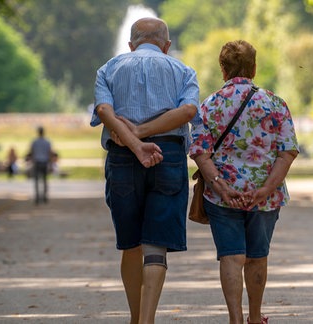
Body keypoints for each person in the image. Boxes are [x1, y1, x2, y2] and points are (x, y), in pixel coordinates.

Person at [91, 17, 199, 324]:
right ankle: (148, 319)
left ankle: (135, 318)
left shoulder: (108, 68)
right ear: (166, 46)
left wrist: (133, 137)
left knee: (130, 243)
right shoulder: (183, 70)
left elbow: (103, 111)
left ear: (130, 45)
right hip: (169, 154)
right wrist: (146, 131)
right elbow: (189, 111)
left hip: (123, 157)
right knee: (156, 244)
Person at [189, 40, 299, 324]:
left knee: (231, 257)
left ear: (222, 69)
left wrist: (222, 187)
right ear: (254, 67)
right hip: (265, 196)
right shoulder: (275, 103)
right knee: (257, 256)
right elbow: (287, 152)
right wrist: (266, 189)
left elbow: (200, 152)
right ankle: (254, 317)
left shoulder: (209, 105)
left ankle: (235, 319)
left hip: (221, 195)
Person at [28, 126, 52, 204]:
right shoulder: (47, 142)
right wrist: (50, 163)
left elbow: (32, 152)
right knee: (44, 180)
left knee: (37, 181)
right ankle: (44, 196)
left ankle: (37, 197)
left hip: (37, 162)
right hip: (44, 162)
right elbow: (49, 153)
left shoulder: (34, 142)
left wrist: (31, 161)